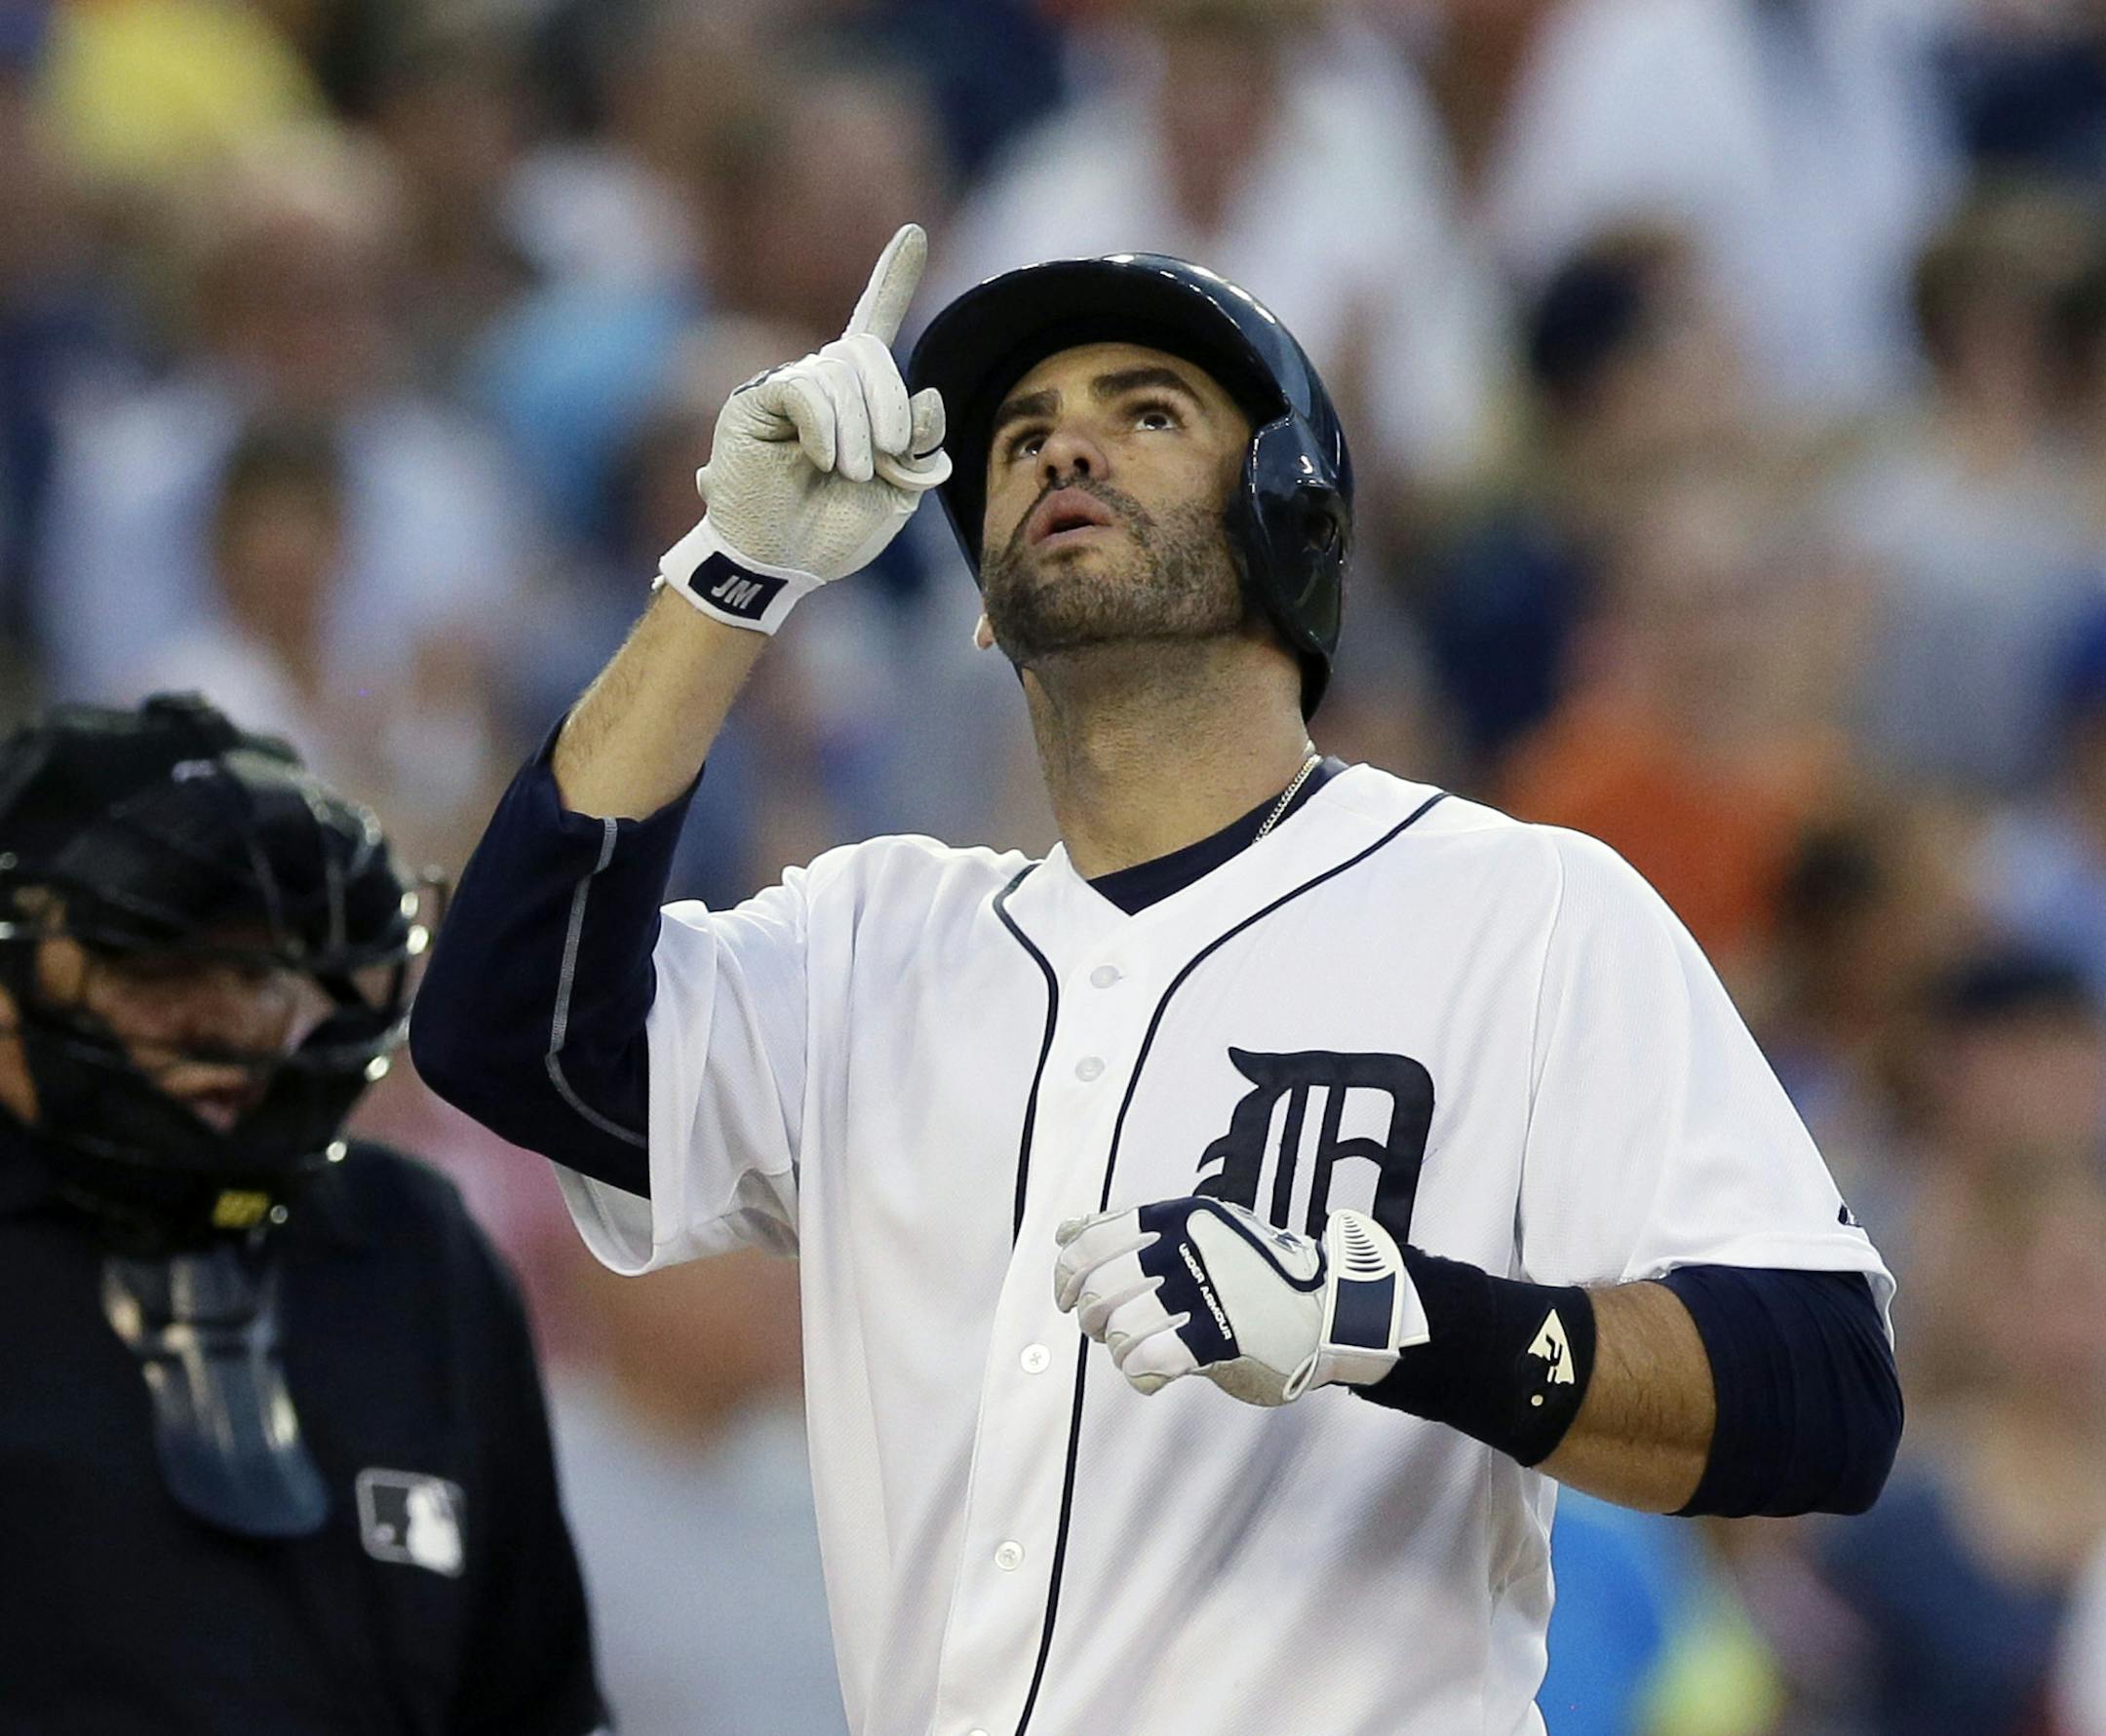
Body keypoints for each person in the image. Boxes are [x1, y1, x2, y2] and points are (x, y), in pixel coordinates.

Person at [411, 224, 1902, 1735]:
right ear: (985, 598)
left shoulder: (1519, 910)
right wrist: (733, 572)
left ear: (1287, 521)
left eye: (1146, 413)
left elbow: (1825, 1393)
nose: (1066, 450)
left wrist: (1391, 1314)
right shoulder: (872, 940)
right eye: (1021, 438)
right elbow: (500, 1028)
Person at [0, 692, 605, 1735]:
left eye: (266, 965)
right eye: (158, 956)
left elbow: (535, 1696)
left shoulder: (416, 1253)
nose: (236, 1016)